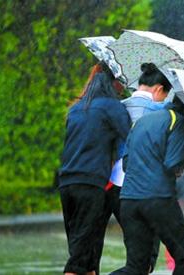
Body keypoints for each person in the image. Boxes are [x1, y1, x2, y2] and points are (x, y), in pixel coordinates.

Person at [111, 97, 184, 275]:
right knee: (183, 258)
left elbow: (126, 163)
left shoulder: (142, 121)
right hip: (158, 200)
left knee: (136, 267)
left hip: (129, 201)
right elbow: (172, 163)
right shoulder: (178, 121)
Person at [95, 63, 172, 273]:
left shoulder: (117, 106)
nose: (164, 99)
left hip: (110, 185)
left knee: (95, 252)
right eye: (165, 94)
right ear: (158, 89)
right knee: (142, 260)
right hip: (139, 188)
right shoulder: (161, 109)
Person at [58, 62, 131, 275]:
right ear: (113, 83)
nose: (123, 87)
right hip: (91, 185)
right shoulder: (113, 107)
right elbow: (130, 139)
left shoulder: (76, 109)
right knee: (79, 260)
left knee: (84, 251)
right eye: (121, 82)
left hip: (67, 184)